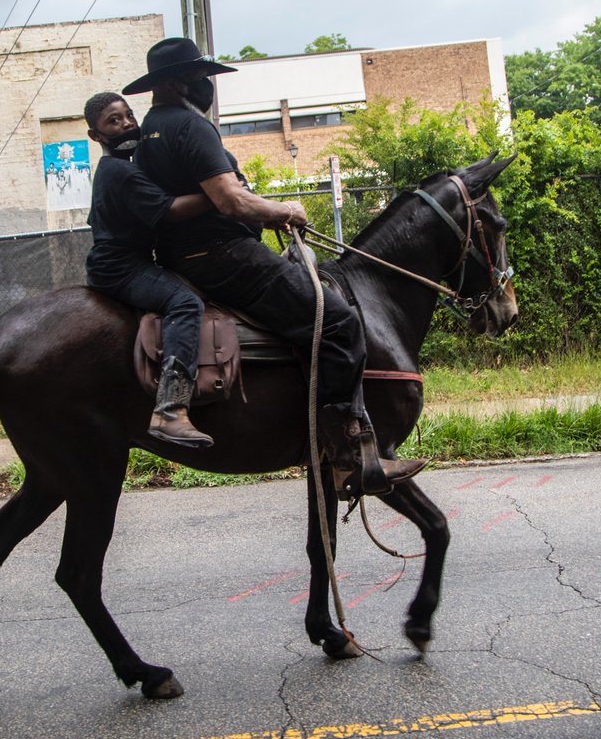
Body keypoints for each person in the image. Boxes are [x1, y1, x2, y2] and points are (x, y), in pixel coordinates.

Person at [123, 37, 425, 497]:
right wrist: (286, 212)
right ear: (176, 81)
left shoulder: (150, 132)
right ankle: (346, 455)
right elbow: (230, 199)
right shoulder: (190, 127)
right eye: (201, 76)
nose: (208, 85)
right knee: (340, 323)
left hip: (183, 258)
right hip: (225, 258)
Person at [83, 91, 214, 448]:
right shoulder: (118, 170)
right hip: (120, 267)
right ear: (97, 136)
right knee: (185, 303)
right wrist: (220, 191)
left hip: (132, 260)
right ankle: (170, 410)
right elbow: (171, 209)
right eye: (113, 120)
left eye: (128, 115)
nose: (126, 123)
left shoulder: (130, 165)